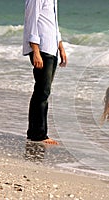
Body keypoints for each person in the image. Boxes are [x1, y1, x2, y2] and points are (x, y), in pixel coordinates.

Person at [23, 0, 67, 145]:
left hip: (51, 48)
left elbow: (52, 24)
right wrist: (35, 51)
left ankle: (34, 132)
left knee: (42, 92)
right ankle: (39, 134)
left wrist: (61, 47)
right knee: (42, 92)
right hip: (42, 49)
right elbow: (31, 22)